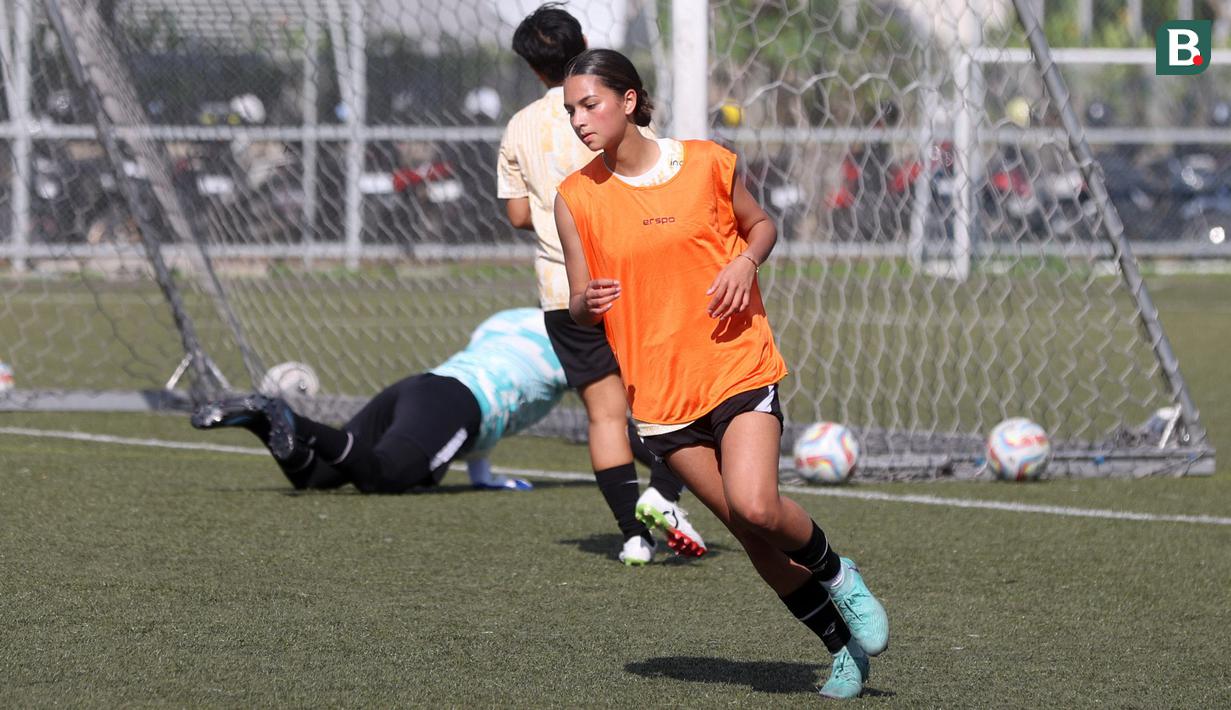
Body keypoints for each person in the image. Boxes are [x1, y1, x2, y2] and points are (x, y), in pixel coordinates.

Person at [553, 49, 890, 698]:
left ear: (628, 100)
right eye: (570, 110)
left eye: (589, 104)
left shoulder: (706, 162)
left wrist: (745, 263)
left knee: (756, 504)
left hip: (735, 364)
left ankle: (840, 575)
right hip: (659, 397)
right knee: (750, 536)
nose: (579, 119)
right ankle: (840, 646)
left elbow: (760, 225)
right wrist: (582, 304)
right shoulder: (575, 198)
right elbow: (576, 299)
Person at [497, 3, 705, 564]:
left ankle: (632, 535)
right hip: (633, 284)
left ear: (533, 68)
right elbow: (656, 181)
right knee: (677, 404)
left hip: (565, 293)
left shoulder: (520, 126)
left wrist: (549, 209)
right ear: (585, 42)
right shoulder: (615, 112)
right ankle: (663, 495)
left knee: (606, 415)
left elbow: (517, 214)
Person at [190, 308, 562, 493]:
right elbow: (606, 413)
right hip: (455, 402)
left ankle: (259, 420)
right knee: (386, 476)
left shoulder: (510, 318)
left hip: (422, 386)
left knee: (322, 475)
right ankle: (282, 412)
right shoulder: (579, 346)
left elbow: (498, 384)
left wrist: (483, 477)